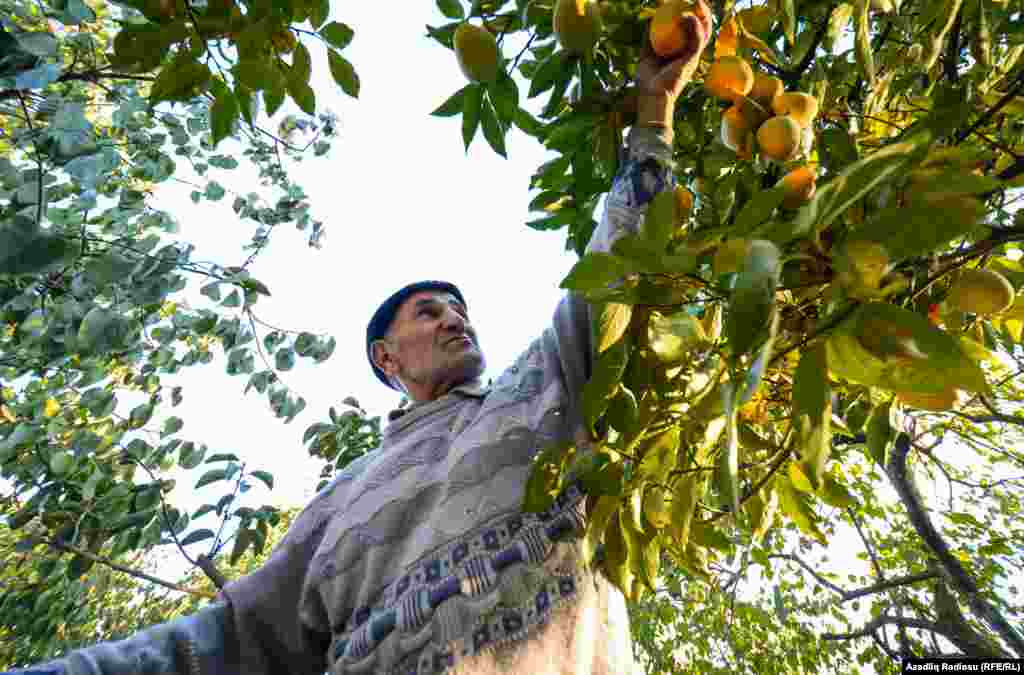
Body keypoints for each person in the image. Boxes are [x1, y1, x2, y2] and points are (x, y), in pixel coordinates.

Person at [4, 10, 710, 674]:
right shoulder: (340, 503)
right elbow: (223, 642)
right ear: (386, 356)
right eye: (429, 312)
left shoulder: (544, 389)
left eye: (460, 309)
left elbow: (618, 269)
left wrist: (653, 115)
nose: (454, 319)